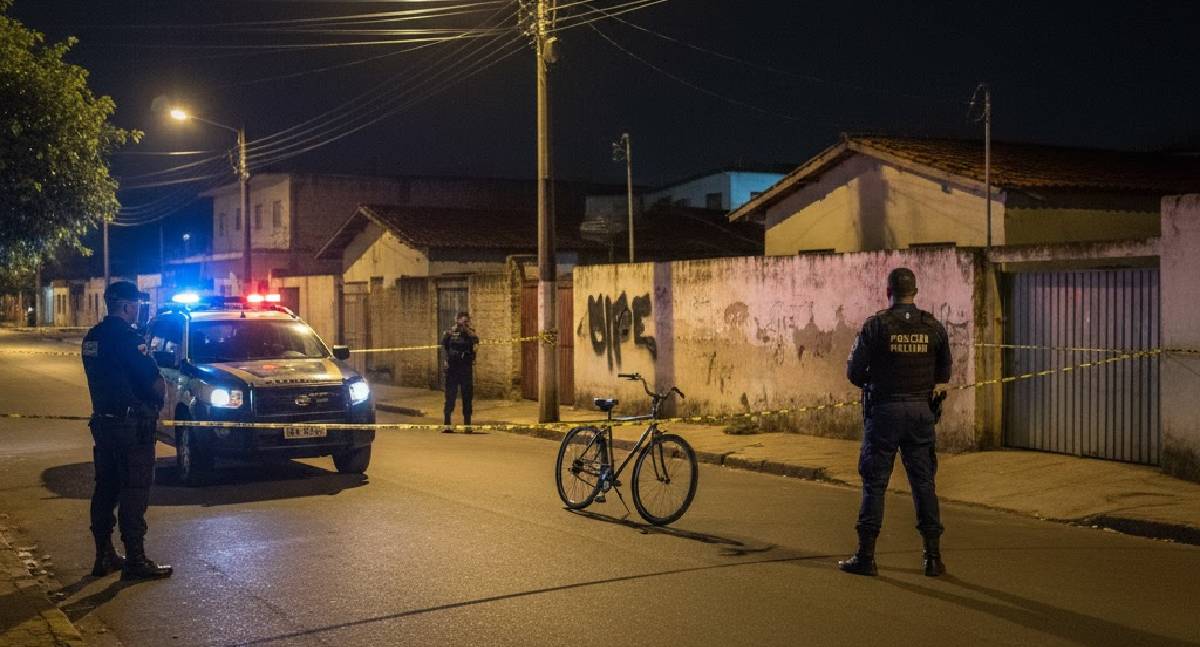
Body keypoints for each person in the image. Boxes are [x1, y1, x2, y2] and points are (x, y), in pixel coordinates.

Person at [840, 268, 952, 577]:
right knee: (924, 483)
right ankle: (932, 558)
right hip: (919, 413)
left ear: (888, 291)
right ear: (915, 291)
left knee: (875, 483)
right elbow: (943, 374)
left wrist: (877, 381)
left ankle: (866, 556)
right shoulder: (933, 327)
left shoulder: (876, 326)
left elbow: (853, 373)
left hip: (885, 411)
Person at [81, 281, 173, 581]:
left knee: (106, 487)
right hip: (131, 427)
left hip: (104, 424)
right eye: (136, 304)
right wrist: (156, 403)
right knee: (134, 489)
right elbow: (153, 380)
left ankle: (104, 554)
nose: (138, 309)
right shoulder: (129, 339)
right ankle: (135, 560)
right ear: (126, 305)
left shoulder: (92, 339)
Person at [441, 311, 479, 433]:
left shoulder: (470, 333)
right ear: (456, 320)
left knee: (467, 396)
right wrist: (445, 361)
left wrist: (467, 330)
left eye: (467, 321)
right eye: (463, 320)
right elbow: (444, 347)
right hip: (452, 368)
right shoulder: (450, 332)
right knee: (450, 396)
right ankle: (447, 424)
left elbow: (476, 344)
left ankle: (467, 425)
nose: (465, 323)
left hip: (465, 368)